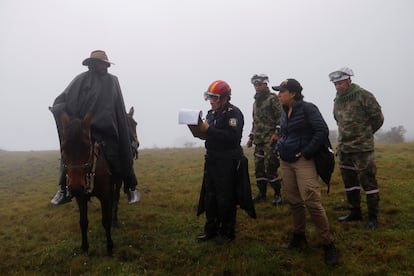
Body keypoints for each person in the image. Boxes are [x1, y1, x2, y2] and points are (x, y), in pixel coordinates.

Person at [50, 50, 140, 205]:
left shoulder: (113, 81)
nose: (104, 66)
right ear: (92, 64)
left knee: (121, 154)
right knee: (71, 153)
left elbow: (118, 107)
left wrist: (119, 125)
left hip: (107, 132)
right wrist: (63, 112)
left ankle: (130, 186)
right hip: (84, 130)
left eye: (106, 64)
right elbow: (60, 100)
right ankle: (64, 189)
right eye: (101, 63)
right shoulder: (80, 80)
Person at [273, 78, 338, 266]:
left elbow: (322, 131)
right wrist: (280, 146)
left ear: (293, 93)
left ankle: (328, 243)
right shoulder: (285, 111)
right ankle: (299, 236)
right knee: (294, 201)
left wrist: (306, 152)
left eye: (282, 91)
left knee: (311, 200)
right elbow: (285, 133)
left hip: (303, 161)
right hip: (286, 161)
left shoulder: (308, 108)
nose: (279, 95)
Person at [196, 80, 255, 245]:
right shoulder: (210, 114)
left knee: (225, 197)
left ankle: (227, 232)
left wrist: (209, 129)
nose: (211, 101)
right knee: (210, 195)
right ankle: (211, 230)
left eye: (214, 98)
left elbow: (232, 137)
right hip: (212, 159)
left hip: (227, 161)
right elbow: (210, 135)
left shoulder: (233, 113)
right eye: (210, 97)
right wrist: (199, 130)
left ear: (224, 98)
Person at [329, 67, 384, 230]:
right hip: (345, 148)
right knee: (350, 182)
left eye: (340, 83)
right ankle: (355, 212)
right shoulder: (337, 99)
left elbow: (378, 118)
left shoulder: (364, 95)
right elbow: (338, 120)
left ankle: (373, 217)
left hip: (362, 149)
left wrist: (365, 134)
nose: (338, 87)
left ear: (349, 81)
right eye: (335, 84)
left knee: (368, 182)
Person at [247, 74, 283, 205]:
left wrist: (277, 133)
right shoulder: (255, 102)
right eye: (255, 85)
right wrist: (251, 137)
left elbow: (280, 117)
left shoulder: (272, 98)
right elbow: (255, 122)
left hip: (270, 140)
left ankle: (278, 194)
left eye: (259, 84)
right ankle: (262, 193)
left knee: (271, 167)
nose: (257, 87)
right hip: (259, 141)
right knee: (259, 169)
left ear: (265, 84)